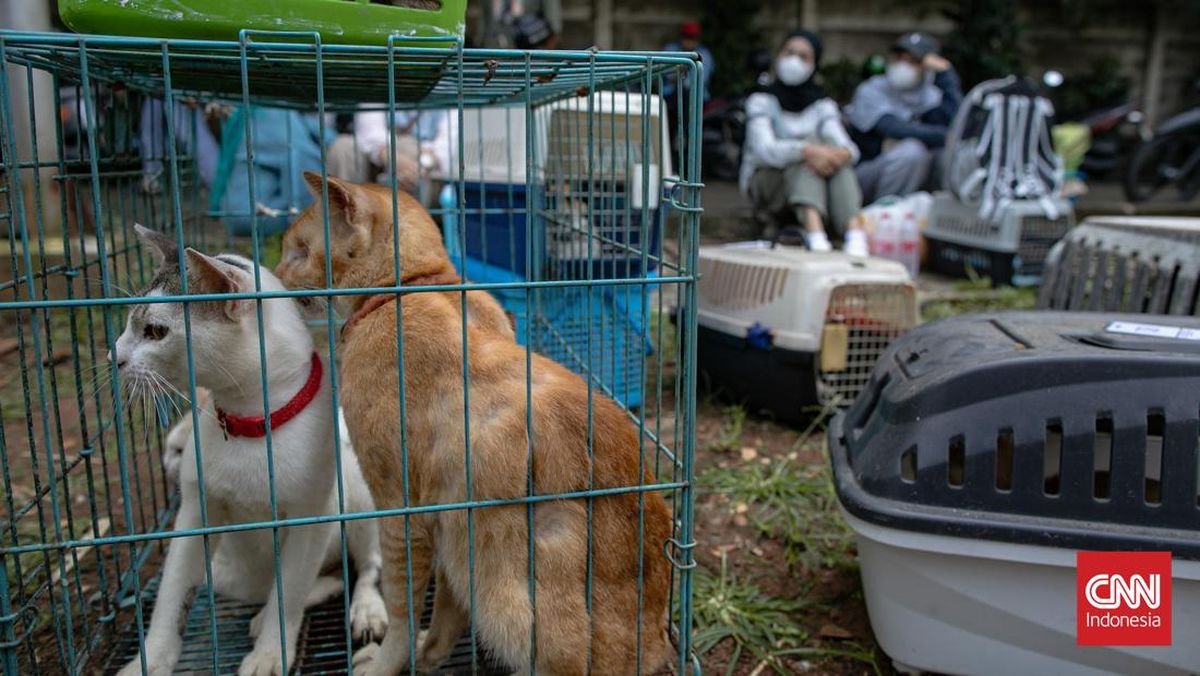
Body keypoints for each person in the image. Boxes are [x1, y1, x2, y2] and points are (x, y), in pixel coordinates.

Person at [739, 30, 867, 254]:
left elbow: (849, 149)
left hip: (811, 179)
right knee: (807, 151)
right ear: (778, 56)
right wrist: (806, 150)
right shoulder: (761, 101)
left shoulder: (822, 105)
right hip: (767, 182)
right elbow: (764, 151)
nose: (794, 61)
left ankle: (854, 233)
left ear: (814, 64)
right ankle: (815, 230)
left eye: (803, 56)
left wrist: (839, 154)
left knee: (833, 155)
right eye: (789, 53)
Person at [846, 32, 962, 204]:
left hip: (915, 180)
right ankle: (884, 214)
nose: (902, 65)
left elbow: (957, 124)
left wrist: (946, 75)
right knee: (912, 152)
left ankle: (936, 221)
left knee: (949, 156)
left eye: (913, 61)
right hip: (864, 177)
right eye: (898, 58)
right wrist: (946, 136)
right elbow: (895, 129)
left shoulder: (931, 96)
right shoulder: (871, 89)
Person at [325, 110, 442, 203]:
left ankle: (405, 226)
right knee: (342, 146)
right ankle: (346, 217)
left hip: (429, 167)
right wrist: (387, 155)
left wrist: (421, 164)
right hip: (379, 157)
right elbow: (369, 131)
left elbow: (447, 144)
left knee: (406, 146)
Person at [663, 21, 714, 157]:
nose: (689, 41)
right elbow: (668, 74)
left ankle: (687, 148)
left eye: (692, 38)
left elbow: (700, 79)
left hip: (695, 101)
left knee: (687, 97)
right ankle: (673, 155)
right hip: (671, 101)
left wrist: (681, 74)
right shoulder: (671, 49)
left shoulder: (704, 54)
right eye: (686, 37)